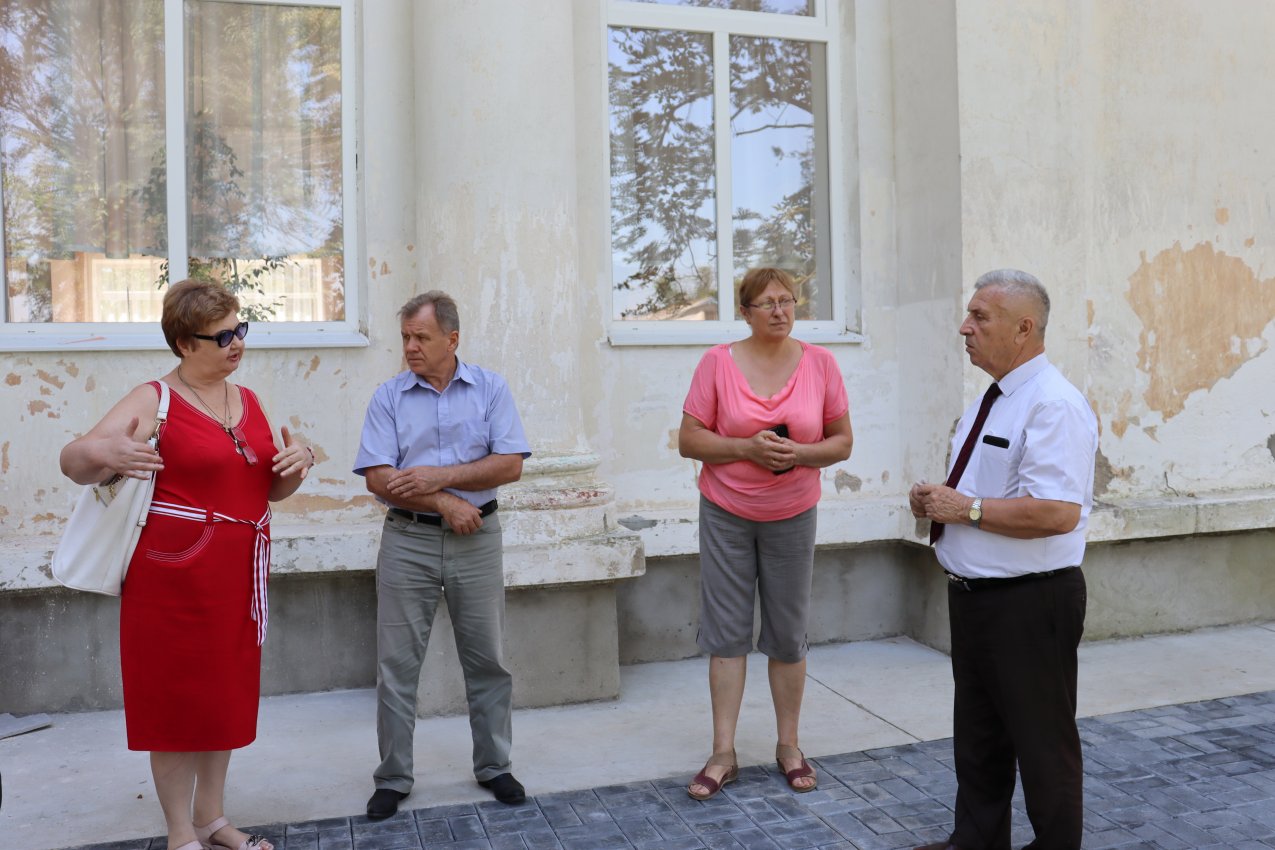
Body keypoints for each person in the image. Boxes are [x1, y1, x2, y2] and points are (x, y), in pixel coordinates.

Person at [59, 279, 315, 850]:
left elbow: (266, 494)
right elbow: (73, 460)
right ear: (183, 342)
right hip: (171, 579)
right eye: (222, 335)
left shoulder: (247, 401)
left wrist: (298, 466)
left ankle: (212, 817)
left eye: (240, 329)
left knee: (222, 697)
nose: (237, 343)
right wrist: (104, 453)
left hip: (234, 579)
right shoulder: (155, 399)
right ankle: (181, 832)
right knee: (174, 703)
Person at [909, 269, 1098, 850]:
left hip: (1030, 601)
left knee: (1043, 744)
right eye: (968, 315)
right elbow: (986, 490)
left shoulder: (1053, 405)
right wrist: (938, 502)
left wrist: (963, 509)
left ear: (1024, 328)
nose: (964, 328)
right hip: (976, 598)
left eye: (979, 317)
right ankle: (978, 842)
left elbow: (1056, 512)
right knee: (981, 738)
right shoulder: (991, 400)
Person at [678, 267, 853, 800]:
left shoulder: (821, 364)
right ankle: (723, 752)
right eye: (766, 303)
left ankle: (789, 747)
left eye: (787, 300)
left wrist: (798, 454)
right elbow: (689, 439)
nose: (779, 310)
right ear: (746, 312)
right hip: (727, 511)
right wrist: (745, 448)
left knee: (787, 631)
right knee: (726, 632)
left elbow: (842, 442)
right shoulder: (717, 363)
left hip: (793, 513)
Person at [354, 290, 531, 818]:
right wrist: (443, 501)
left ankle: (495, 767)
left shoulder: (491, 390)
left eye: (421, 337)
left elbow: (509, 464)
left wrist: (440, 477)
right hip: (407, 539)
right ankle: (393, 776)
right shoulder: (388, 397)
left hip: (478, 537)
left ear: (451, 340)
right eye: (405, 337)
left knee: (488, 661)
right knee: (396, 665)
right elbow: (378, 476)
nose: (409, 347)